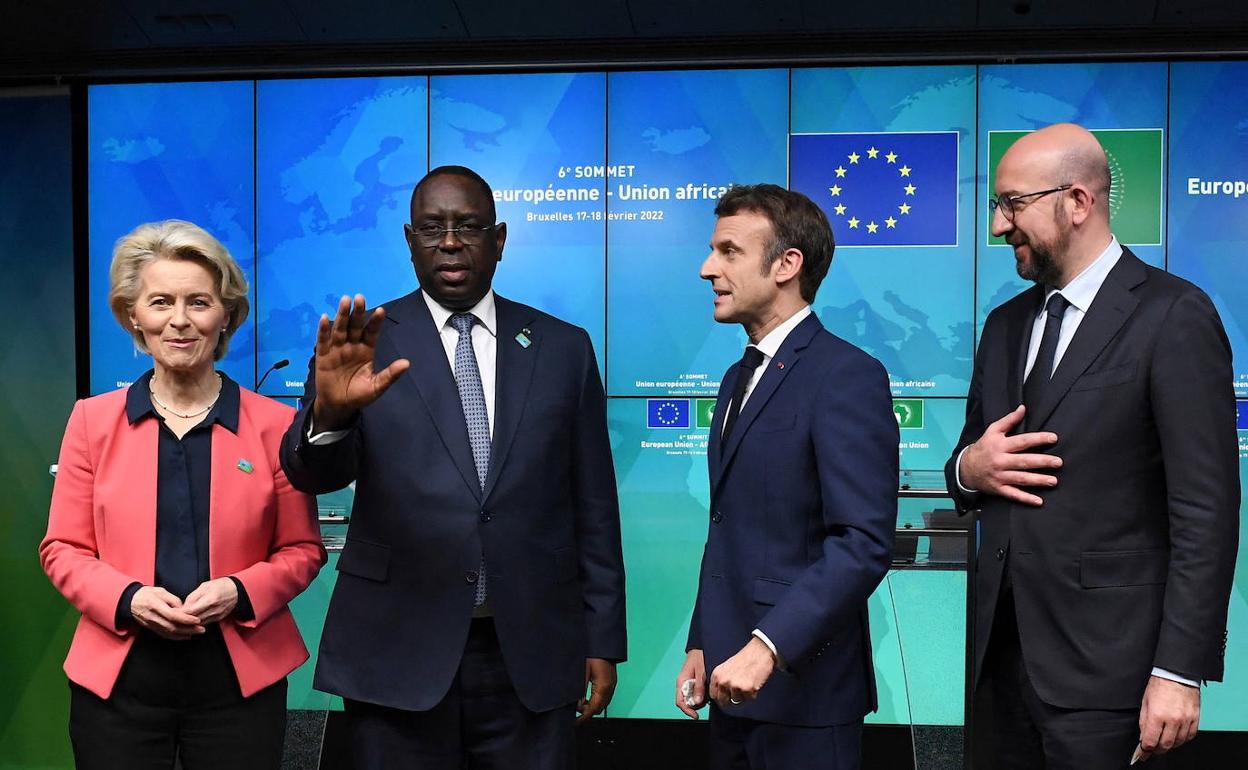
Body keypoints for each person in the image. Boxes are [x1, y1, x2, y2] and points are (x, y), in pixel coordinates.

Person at [279, 165, 627, 768]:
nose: (450, 241)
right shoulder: (362, 342)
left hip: (531, 649)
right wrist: (331, 413)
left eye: (468, 226)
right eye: (433, 228)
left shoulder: (562, 348)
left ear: (499, 240)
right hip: (397, 649)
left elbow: (593, 503)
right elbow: (315, 475)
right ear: (409, 240)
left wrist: (601, 637)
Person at [946, 123, 1239, 768]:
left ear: (1077, 202)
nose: (999, 226)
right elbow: (969, 456)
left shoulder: (1173, 315)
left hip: (1116, 680)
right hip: (999, 671)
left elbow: (1205, 513)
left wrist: (1179, 671)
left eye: (1013, 204)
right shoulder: (1003, 325)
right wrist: (969, 469)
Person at [40, 220, 326, 769]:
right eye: (160, 302)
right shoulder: (91, 422)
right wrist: (128, 599)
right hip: (119, 681)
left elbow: (302, 550)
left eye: (199, 302)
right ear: (133, 316)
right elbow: (62, 550)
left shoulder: (273, 425)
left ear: (225, 316)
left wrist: (239, 591)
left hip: (239, 681)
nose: (179, 320)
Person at [675, 184, 899, 769]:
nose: (707, 269)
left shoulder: (847, 376)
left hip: (806, 698)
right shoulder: (734, 378)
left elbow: (862, 544)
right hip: (729, 688)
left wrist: (768, 648)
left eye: (728, 252)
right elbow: (728, 527)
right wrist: (703, 640)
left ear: (786, 265)